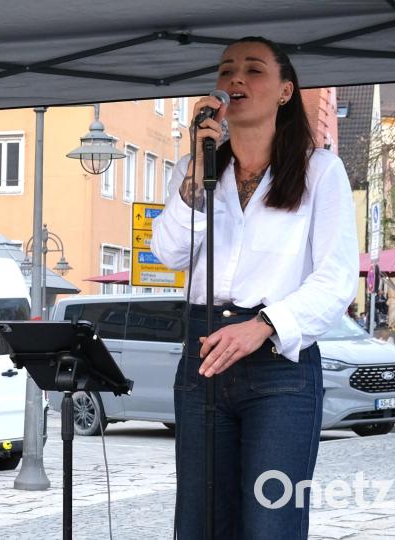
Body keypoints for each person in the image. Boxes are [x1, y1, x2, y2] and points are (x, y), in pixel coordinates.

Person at [151, 36, 358, 538]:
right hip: (203, 354)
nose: (235, 79)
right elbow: (169, 253)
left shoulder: (319, 170)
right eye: (226, 70)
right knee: (201, 521)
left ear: (286, 90)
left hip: (278, 364)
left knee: (271, 521)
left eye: (253, 69)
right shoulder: (197, 171)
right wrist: (195, 173)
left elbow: (336, 278)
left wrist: (264, 325)